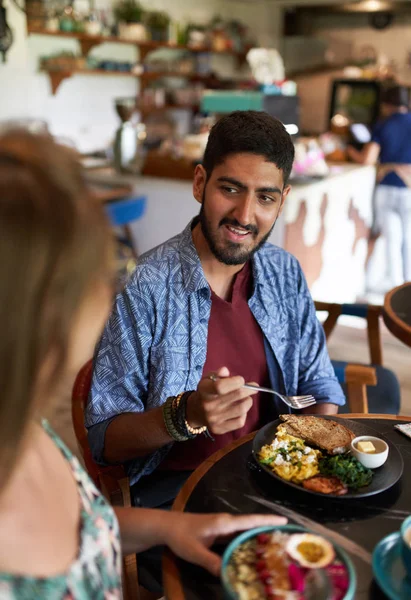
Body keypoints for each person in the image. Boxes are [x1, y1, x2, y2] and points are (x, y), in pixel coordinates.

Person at [0, 129, 287, 599]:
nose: (105, 298)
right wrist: (188, 415)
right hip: (180, 486)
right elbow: (105, 439)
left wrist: (171, 529)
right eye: (99, 274)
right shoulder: (148, 287)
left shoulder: (32, 432)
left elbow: (86, 528)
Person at [348, 85, 411, 291]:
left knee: (392, 241)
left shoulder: (383, 125)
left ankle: (397, 292)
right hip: (408, 189)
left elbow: (368, 159)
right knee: (408, 241)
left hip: (386, 187)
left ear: (387, 104)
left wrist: (350, 152)